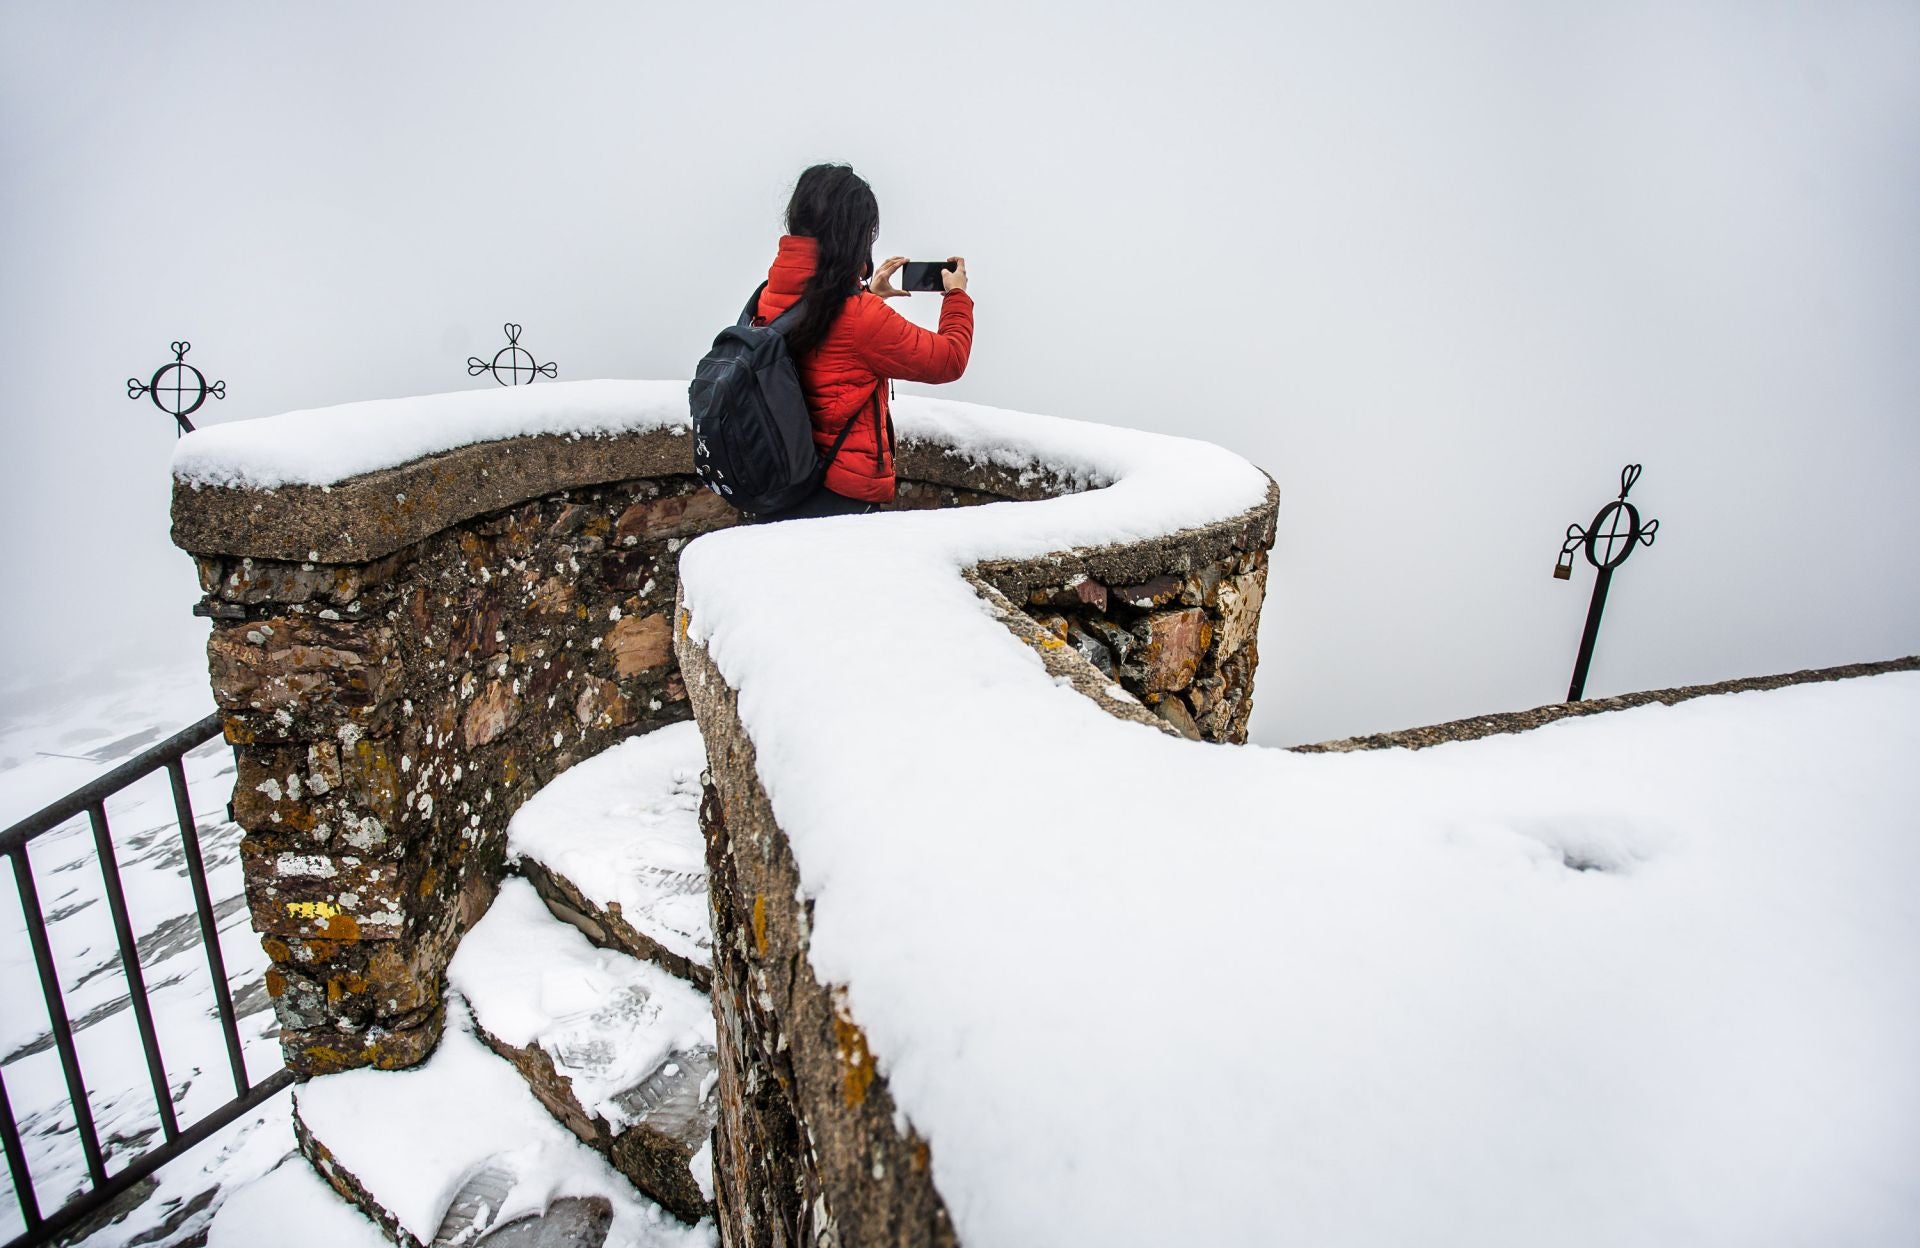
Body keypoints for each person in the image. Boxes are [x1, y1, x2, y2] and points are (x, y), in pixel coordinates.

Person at [748, 163, 973, 521]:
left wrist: (867, 293)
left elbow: (824, 342)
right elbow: (949, 360)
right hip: (837, 496)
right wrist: (956, 295)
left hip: (781, 483)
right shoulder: (858, 315)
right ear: (852, 234)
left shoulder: (770, 293)